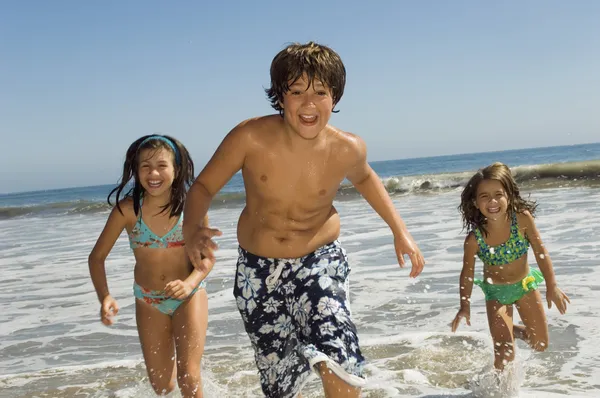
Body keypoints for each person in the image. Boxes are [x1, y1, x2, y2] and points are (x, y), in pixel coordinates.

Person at [182, 41, 425, 398]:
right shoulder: (250, 137)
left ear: (335, 98)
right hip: (258, 272)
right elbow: (202, 186)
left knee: (338, 352)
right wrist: (193, 230)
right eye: (296, 92)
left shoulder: (347, 147)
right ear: (280, 97)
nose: (308, 103)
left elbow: (367, 179)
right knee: (280, 381)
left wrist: (400, 232)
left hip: (319, 260)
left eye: (320, 92)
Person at [88, 134, 210, 397]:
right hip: (148, 300)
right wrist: (105, 296)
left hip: (189, 295)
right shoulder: (127, 211)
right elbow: (97, 257)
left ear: (177, 170)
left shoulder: (192, 206)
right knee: (163, 387)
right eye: (145, 166)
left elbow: (207, 259)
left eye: (162, 165)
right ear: (136, 171)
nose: (153, 173)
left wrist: (189, 283)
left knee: (189, 375)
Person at [451, 162, 570, 371]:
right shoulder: (474, 240)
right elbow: (467, 274)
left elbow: (541, 253)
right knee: (505, 354)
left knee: (540, 344)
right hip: (496, 294)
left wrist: (552, 286)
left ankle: (511, 330)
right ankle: (498, 391)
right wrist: (464, 306)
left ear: (509, 195)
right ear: (475, 202)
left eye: (498, 194)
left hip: (525, 287)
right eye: (484, 196)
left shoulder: (522, 219)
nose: (493, 201)